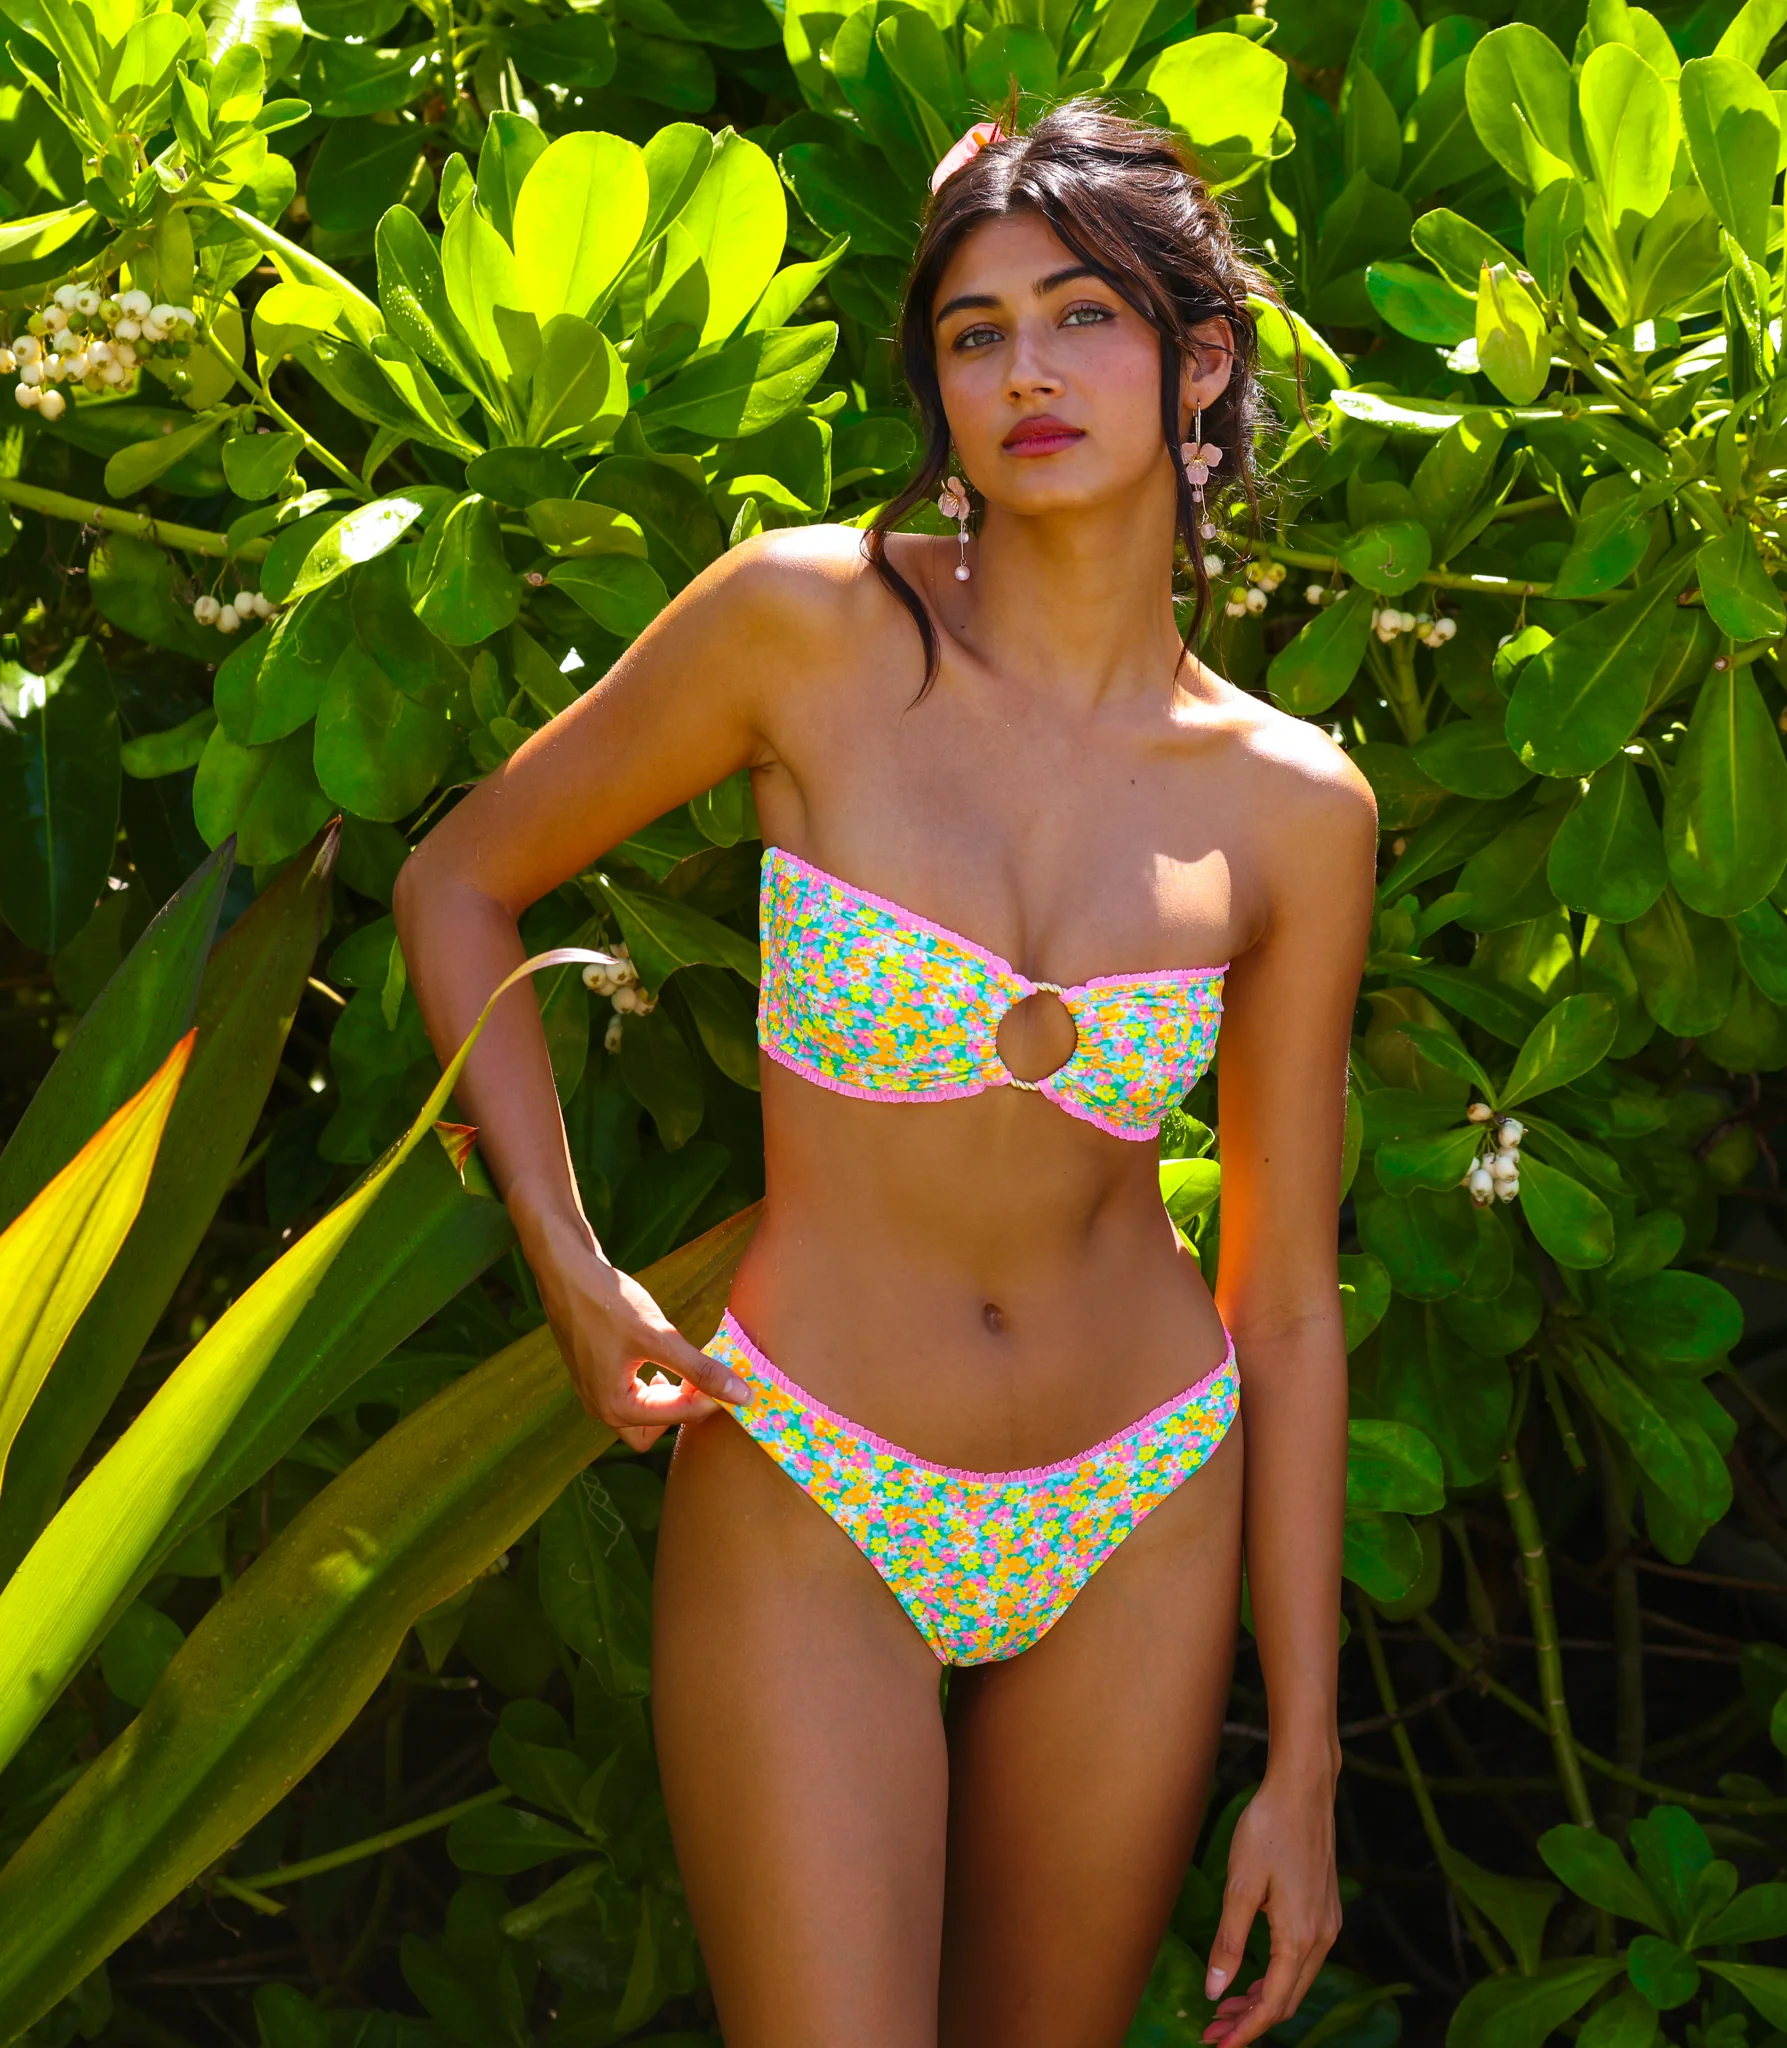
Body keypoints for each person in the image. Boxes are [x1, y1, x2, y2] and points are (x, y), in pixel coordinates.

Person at [396, 98, 1375, 2048]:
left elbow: (1279, 1298)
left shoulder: (1295, 805)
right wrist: (570, 1266)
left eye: (1081, 316)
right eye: (973, 331)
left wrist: (1306, 1761)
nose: (1025, 372)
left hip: (1142, 1494)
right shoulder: (807, 627)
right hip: (816, 1470)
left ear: (1197, 361)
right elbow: (460, 882)